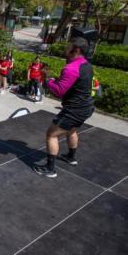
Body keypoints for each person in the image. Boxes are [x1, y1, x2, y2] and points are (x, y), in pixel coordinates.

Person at [33, 37, 94, 178]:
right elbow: (73, 83)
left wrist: (47, 80)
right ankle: (71, 157)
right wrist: (57, 79)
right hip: (86, 107)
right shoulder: (86, 64)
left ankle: (50, 169)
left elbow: (59, 91)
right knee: (71, 130)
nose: (66, 48)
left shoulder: (70, 68)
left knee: (51, 134)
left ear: (76, 50)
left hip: (74, 110)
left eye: (69, 46)